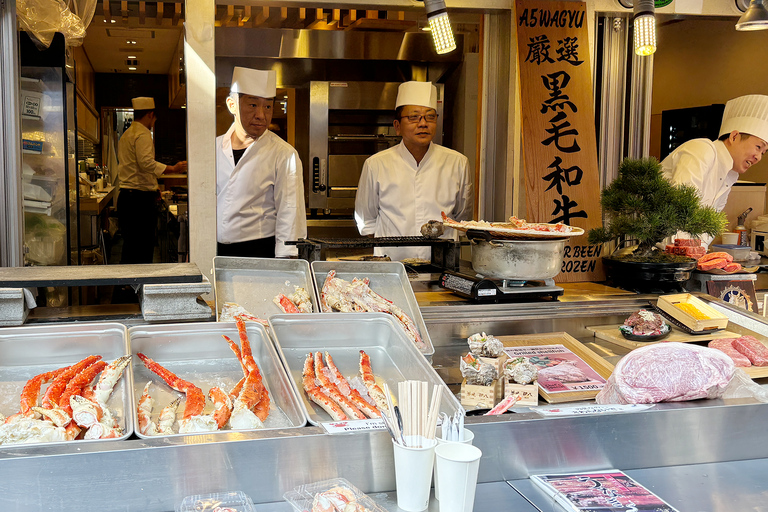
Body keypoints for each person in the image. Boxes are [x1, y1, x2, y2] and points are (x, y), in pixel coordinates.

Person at [354, 81, 473, 261]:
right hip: (393, 266)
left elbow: (462, 219)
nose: (423, 123)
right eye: (414, 117)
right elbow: (367, 222)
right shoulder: (376, 164)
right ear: (397, 125)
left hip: (442, 265)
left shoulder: (458, 163)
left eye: (430, 117)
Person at [216, 66, 306, 258]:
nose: (261, 115)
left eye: (267, 106)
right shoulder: (212, 148)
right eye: (253, 105)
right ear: (232, 105)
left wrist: (286, 261)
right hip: (213, 249)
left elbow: (290, 211)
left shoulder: (284, 153)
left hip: (259, 251)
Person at [662, 94, 768, 215]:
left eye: (763, 153)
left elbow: (709, 222)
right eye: (758, 147)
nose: (758, 157)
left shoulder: (731, 175)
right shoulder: (702, 149)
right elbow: (681, 210)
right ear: (734, 137)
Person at [117, 96, 187, 264]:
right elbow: (146, 163)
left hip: (128, 198)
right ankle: (138, 287)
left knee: (131, 249)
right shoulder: (143, 133)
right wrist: (174, 169)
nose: (154, 122)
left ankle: (126, 287)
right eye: (154, 118)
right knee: (142, 249)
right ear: (150, 114)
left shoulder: (127, 134)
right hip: (139, 201)